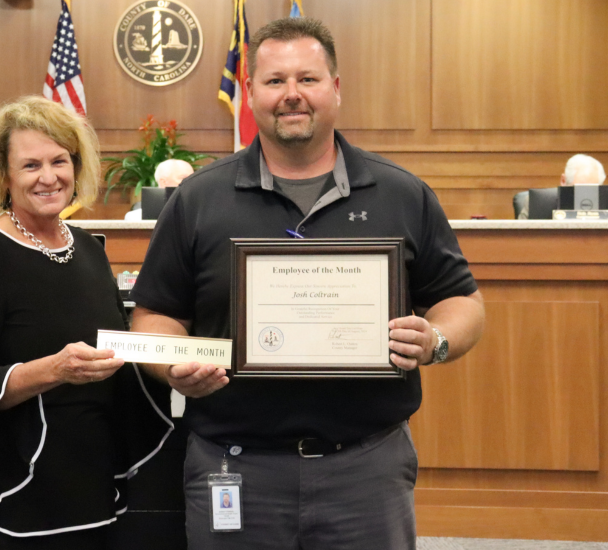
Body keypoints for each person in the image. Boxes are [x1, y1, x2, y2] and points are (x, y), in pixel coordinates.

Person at [130, 17, 485, 550]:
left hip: (367, 468)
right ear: (250, 94)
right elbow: (154, 315)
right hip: (234, 466)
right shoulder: (197, 200)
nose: (291, 95)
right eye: (274, 81)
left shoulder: (401, 193)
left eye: (308, 79)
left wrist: (435, 341)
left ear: (335, 89)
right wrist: (173, 364)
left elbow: (462, 301)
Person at [0, 96, 171, 550]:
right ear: (4, 176)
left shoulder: (88, 247)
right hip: (23, 477)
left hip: (94, 464)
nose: (49, 176)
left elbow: (119, 350)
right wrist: (54, 371)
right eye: (31, 165)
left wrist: (179, 365)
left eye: (60, 160)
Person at [517, 154, 606, 218]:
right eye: (579, 190)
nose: (585, 197)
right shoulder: (535, 204)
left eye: (592, 191)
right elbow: (519, 240)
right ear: (563, 181)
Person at [124, 159, 194, 220]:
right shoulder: (135, 218)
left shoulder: (199, 212)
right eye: (184, 178)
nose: (192, 182)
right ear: (163, 182)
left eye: (193, 178)